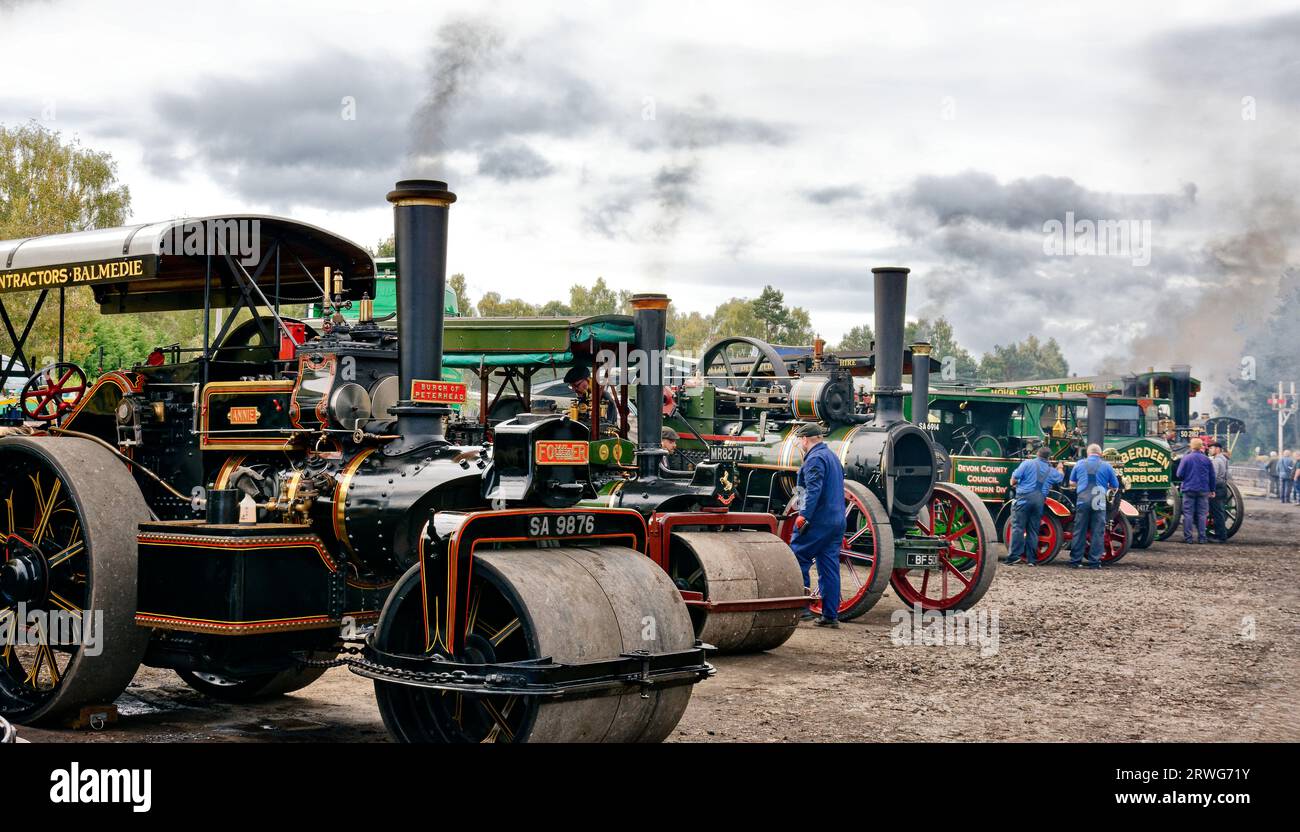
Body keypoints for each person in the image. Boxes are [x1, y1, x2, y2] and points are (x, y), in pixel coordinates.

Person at [789, 422, 846, 628]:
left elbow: (813, 491)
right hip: (837, 520)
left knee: (798, 557)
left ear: (805, 439)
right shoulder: (832, 457)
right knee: (829, 566)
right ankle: (830, 616)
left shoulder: (814, 459)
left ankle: (802, 608)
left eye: (800, 440)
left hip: (818, 520)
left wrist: (804, 515)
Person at [1005, 446, 1065, 566]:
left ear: (1037, 454)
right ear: (1048, 458)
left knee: (1018, 527)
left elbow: (1013, 480)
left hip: (1023, 499)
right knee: (1033, 530)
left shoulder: (1027, 463)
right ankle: (1031, 560)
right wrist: (1060, 468)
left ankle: (1014, 557)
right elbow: (1060, 478)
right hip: (1039, 501)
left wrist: (1014, 483)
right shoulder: (1050, 470)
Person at [1068, 443, 1120, 569]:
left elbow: (1072, 482)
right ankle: (1094, 562)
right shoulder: (1106, 466)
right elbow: (1115, 486)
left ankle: (1075, 560)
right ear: (1100, 454)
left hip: (1082, 500)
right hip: (1098, 501)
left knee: (1079, 530)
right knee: (1098, 531)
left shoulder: (1079, 464)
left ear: (1088, 453)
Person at [1175, 437, 1216, 544]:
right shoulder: (1206, 459)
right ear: (1201, 446)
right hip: (1203, 490)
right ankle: (1202, 538)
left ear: (1191, 446)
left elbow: (1179, 474)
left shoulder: (1186, 458)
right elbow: (1212, 476)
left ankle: (1188, 538)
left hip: (1189, 489)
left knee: (1188, 514)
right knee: (1202, 514)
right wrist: (1212, 490)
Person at [1207, 441, 1231, 543]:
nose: (1209, 450)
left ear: (1217, 449)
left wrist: (1210, 489)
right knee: (1219, 512)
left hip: (1216, 487)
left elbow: (1213, 476)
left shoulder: (1216, 461)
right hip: (1223, 486)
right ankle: (1221, 534)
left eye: (1211, 448)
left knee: (1217, 513)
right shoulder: (1224, 459)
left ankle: (1220, 536)